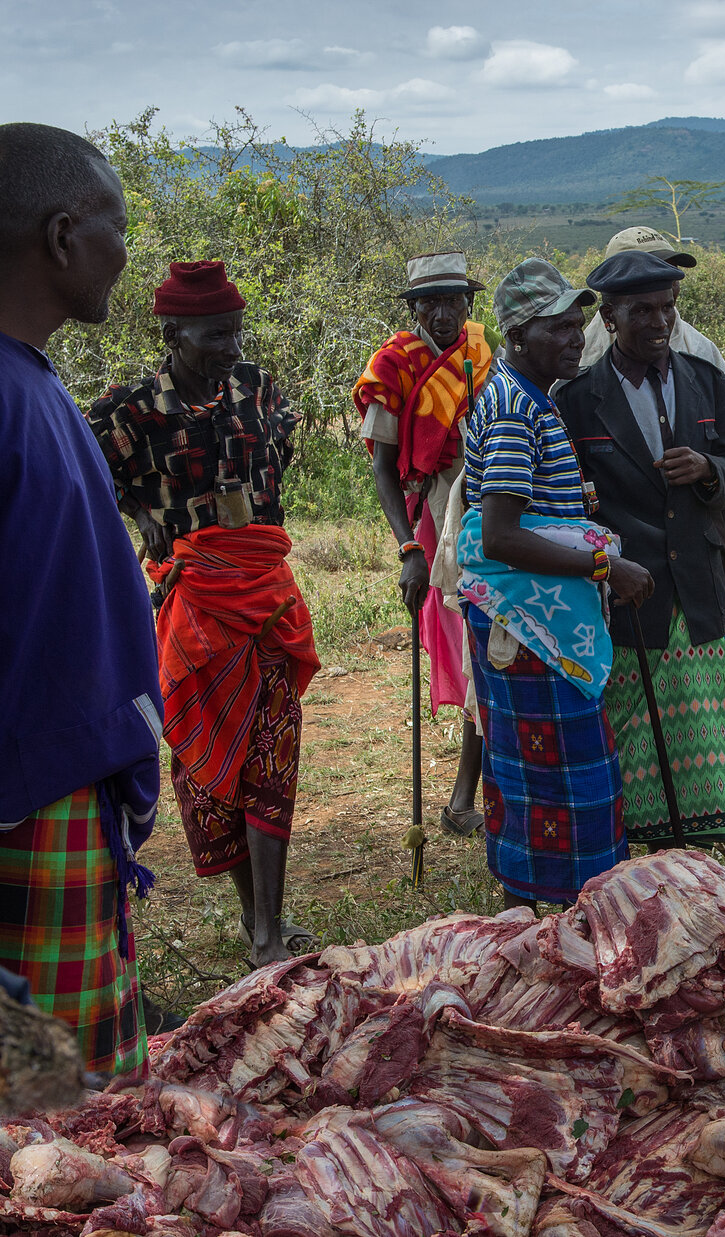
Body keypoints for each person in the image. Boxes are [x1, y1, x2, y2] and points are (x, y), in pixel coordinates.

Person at [87, 260, 319, 970]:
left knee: (272, 755)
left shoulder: (256, 389)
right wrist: (139, 514)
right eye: (216, 333)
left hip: (267, 594)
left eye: (236, 331)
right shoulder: (128, 410)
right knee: (210, 768)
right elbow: (87, 471)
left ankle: (269, 931)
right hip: (191, 609)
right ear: (172, 331)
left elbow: (276, 461)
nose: (231, 346)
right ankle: (255, 921)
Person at [0, 122, 157, 1076]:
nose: (125, 253)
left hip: (63, 783)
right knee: (55, 1125)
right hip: (28, 797)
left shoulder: (37, 382)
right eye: (116, 226)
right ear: (63, 237)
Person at [557, 250, 725, 868]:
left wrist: (709, 472)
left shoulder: (705, 378)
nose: (659, 322)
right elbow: (572, 500)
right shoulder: (578, 398)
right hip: (627, 597)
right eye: (642, 310)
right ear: (612, 319)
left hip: (698, 585)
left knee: (713, 726)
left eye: (667, 309)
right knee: (632, 726)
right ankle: (642, 858)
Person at [460, 258, 650, 908]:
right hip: (529, 626)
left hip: (526, 621)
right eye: (560, 329)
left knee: (529, 767)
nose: (576, 339)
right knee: (567, 772)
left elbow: (527, 509)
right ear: (516, 335)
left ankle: (532, 906)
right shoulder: (516, 408)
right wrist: (604, 565)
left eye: (578, 326)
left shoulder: (527, 397)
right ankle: (568, 909)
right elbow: (502, 535)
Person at [354, 252, 496, 837]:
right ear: (414, 308)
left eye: (454, 300)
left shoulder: (483, 354)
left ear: (470, 303)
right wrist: (409, 547)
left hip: (496, 508)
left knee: (493, 638)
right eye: (430, 302)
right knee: (471, 644)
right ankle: (465, 795)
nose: (443, 313)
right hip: (437, 519)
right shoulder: (393, 365)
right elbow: (385, 467)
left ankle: (475, 791)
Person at [581, 225, 725, 548]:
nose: (662, 276)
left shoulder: (701, 359)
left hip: (697, 549)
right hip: (618, 559)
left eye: (669, 270)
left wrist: (709, 469)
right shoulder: (582, 360)